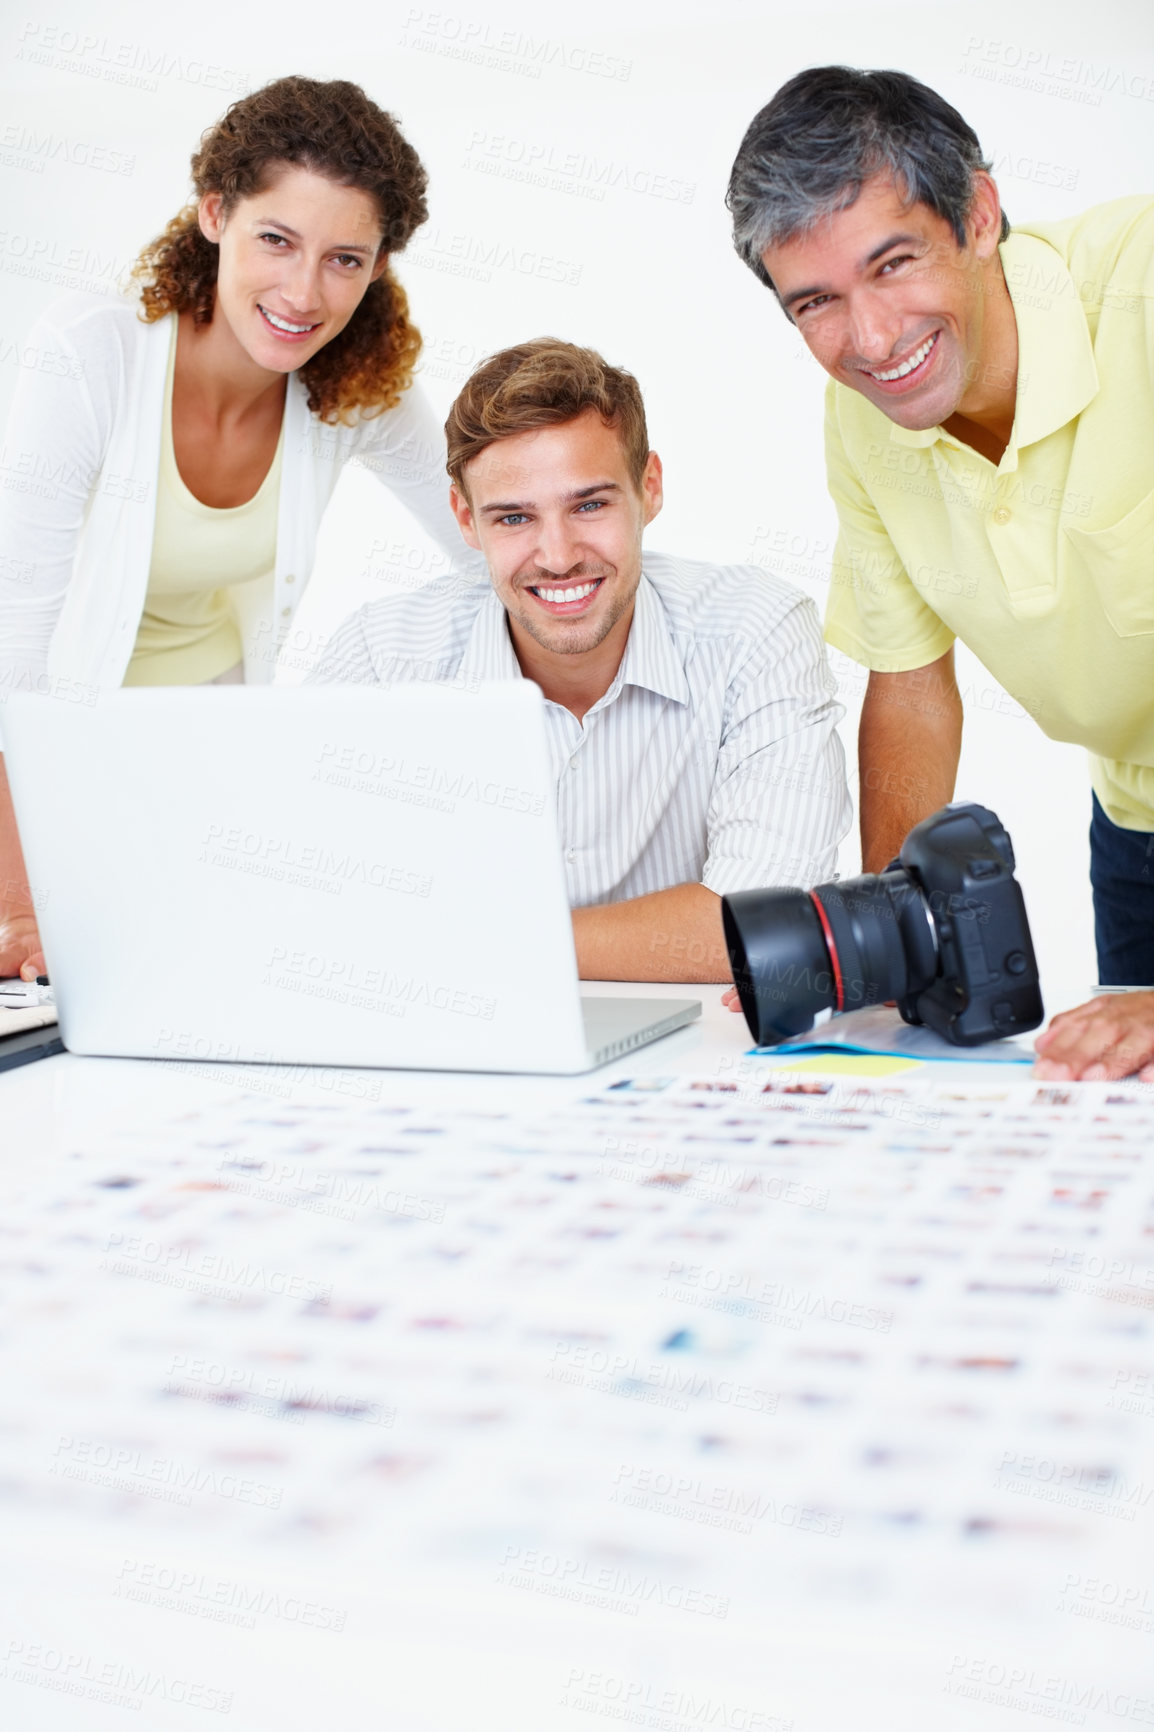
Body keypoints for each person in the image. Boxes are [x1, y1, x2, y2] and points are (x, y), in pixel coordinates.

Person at [726, 65, 1154, 1079]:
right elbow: (910, 686)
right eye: (814, 303)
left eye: (891, 263)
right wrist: (895, 932)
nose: (870, 340)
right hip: (1134, 821)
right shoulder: (861, 422)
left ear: (978, 215)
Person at [0, 75, 473, 982]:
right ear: (216, 213)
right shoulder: (90, 355)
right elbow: (13, 649)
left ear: (378, 266)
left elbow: (486, 541)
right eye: (277, 240)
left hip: (193, 757)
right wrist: (20, 906)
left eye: (344, 258)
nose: (304, 291)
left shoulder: (356, 388)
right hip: (34, 779)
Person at [309, 338, 851, 982]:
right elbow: (307, 903)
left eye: (589, 505)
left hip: (693, 1058)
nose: (558, 555)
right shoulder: (382, 657)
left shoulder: (755, 632)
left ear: (649, 489)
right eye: (513, 518)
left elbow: (767, 925)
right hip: (450, 1040)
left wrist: (460, 942)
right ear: (465, 519)